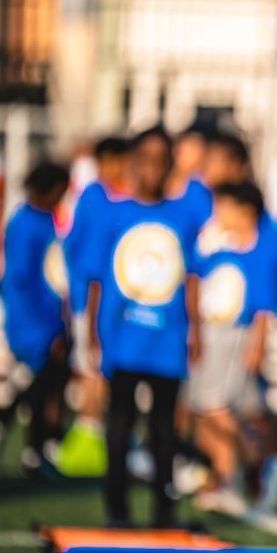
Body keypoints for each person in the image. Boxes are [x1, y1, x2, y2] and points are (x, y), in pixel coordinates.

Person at [85, 126, 203, 528]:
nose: (152, 168)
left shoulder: (183, 215)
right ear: (132, 163)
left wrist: (195, 331)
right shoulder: (113, 213)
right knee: (118, 425)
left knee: (163, 430)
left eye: (161, 160)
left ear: (171, 165)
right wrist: (91, 335)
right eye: (145, 159)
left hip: (167, 339)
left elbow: (191, 277)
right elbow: (97, 279)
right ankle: (116, 510)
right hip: (122, 337)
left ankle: (163, 512)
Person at [0, 161, 72, 478]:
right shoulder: (26, 224)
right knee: (38, 381)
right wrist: (45, 326)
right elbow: (22, 280)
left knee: (48, 385)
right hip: (32, 322)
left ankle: (35, 453)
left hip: (47, 318)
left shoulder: (44, 222)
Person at [187, 181, 277, 516]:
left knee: (215, 407)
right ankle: (225, 476)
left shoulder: (260, 253)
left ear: (246, 211)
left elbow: (264, 309)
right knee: (202, 408)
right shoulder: (218, 248)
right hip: (210, 335)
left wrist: (258, 346)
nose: (219, 214)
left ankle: (257, 459)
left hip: (235, 337)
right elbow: (195, 280)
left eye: (225, 207)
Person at [56, 136, 130, 477]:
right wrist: (76, 301)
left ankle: (104, 435)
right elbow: (80, 256)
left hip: (121, 303)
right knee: (92, 366)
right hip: (92, 300)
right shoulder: (94, 199)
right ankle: (89, 435)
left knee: (110, 370)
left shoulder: (122, 198)